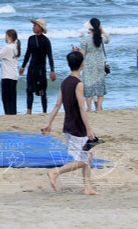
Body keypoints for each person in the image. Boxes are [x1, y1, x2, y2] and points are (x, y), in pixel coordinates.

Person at [41, 50, 99, 196]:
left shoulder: (65, 82)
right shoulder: (78, 84)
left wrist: (49, 123)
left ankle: (87, 188)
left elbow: (56, 106)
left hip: (69, 126)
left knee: (88, 156)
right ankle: (55, 172)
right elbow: (81, 108)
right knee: (83, 160)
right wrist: (89, 129)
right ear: (82, 65)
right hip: (77, 128)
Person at [20, 19, 56, 114]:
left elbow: (50, 56)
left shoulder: (46, 41)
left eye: (35, 26)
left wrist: (52, 71)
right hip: (31, 68)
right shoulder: (31, 39)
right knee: (29, 90)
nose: (33, 27)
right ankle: (29, 111)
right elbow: (28, 54)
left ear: (40, 28)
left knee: (42, 91)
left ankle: (44, 111)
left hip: (41, 69)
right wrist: (23, 66)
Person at [77, 18, 110, 112]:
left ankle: (89, 108)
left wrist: (77, 55)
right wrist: (101, 28)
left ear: (89, 28)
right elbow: (108, 38)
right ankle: (99, 107)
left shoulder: (85, 39)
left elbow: (82, 54)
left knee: (88, 86)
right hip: (100, 64)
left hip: (89, 64)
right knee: (100, 86)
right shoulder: (101, 38)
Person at [0, 30, 20, 115]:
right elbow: (2, 53)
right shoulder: (15, 47)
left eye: (6, 36)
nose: (5, 38)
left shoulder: (8, 47)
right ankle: (12, 114)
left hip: (7, 76)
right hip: (14, 76)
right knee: (12, 99)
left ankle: (8, 114)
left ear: (9, 37)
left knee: (6, 99)